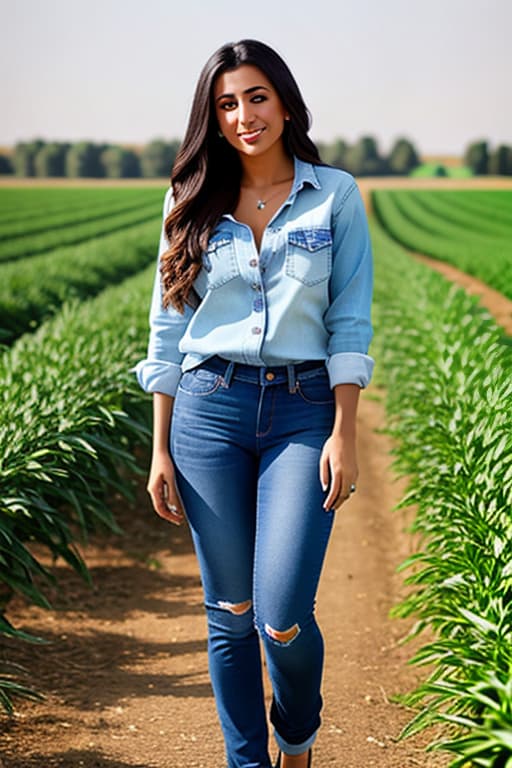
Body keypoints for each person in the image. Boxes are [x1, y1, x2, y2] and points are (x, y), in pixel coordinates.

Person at [135, 39, 374, 768]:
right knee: (229, 615)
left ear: (286, 101)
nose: (244, 115)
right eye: (227, 104)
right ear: (213, 117)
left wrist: (344, 431)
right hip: (210, 410)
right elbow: (168, 330)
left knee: (279, 617)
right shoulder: (188, 196)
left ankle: (295, 735)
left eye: (257, 97)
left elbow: (349, 320)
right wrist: (160, 447)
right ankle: (247, 762)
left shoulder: (334, 194)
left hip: (304, 412)